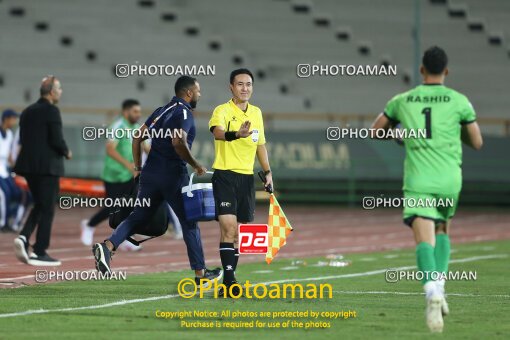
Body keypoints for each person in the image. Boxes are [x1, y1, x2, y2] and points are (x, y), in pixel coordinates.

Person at [371, 46, 483, 333]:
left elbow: (375, 130)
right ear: (446, 71)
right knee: (443, 229)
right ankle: (441, 288)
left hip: (419, 179)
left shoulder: (402, 100)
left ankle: (432, 292)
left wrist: (399, 135)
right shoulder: (460, 101)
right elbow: (477, 142)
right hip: (449, 178)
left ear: (422, 70)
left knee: (424, 238)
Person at [93, 76, 222, 285]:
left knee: (137, 216)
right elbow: (178, 141)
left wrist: (137, 168)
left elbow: (137, 137)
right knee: (189, 222)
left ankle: (107, 247)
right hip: (172, 175)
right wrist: (196, 165)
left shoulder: (161, 111)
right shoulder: (184, 113)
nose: (200, 94)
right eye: (198, 91)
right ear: (188, 93)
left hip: (150, 174)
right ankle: (200, 274)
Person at [209, 68, 273, 296]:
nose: (245, 88)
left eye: (248, 84)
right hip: (225, 176)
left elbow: (260, 145)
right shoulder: (222, 110)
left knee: (237, 234)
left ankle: (229, 277)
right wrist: (236, 134)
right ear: (231, 87)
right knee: (228, 228)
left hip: (246, 178)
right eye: (240, 84)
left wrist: (268, 172)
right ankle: (229, 280)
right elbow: (217, 133)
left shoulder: (256, 113)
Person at [13, 75, 73, 266]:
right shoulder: (52, 111)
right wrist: (66, 151)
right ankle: (40, 251)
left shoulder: (27, 111)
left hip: (28, 166)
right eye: (59, 88)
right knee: (47, 208)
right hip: (47, 167)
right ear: (52, 91)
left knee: (40, 204)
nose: (61, 92)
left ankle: (23, 237)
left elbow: (23, 138)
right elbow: (56, 139)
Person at [80, 99, 144, 251]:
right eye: (135, 111)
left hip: (129, 176)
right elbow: (110, 149)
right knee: (112, 207)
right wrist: (129, 164)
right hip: (113, 175)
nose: (138, 115)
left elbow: (145, 146)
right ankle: (89, 225)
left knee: (128, 206)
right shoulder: (118, 126)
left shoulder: (136, 127)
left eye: (139, 112)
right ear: (126, 111)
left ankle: (126, 238)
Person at [0, 109, 25, 233]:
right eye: (13, 118)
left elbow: (10, 154)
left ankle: (11, 218)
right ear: (6, 119)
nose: (14, 121)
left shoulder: (9, 133)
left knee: (19, 193)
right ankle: (3, 223)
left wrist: (16, 168)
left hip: (5, 170)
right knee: (5, 194)